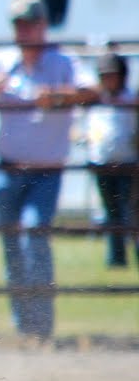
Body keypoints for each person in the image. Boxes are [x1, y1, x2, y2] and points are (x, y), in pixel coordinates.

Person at [0, 0, 97, 338]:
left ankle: (41, 322)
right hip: (6, 168)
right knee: (12, 245)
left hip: (45, 169)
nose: (25, 31)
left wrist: (60, 97)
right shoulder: (3, 62)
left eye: (30, 23)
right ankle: (25, 325)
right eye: (20, 24)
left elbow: (92, 90)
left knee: (34, 236)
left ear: (43, 25)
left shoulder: (63, 62)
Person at [83, 50, 136, 269]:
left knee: (131, 211)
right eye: (104, 76)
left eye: (112, 75)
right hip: (102, 162)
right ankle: (116, 258)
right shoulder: (96, 100)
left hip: (129, 163)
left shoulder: (132, 99)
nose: (108, 80)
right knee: (111, 211)